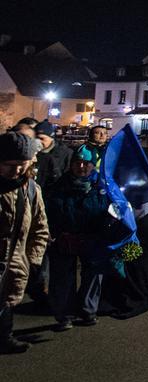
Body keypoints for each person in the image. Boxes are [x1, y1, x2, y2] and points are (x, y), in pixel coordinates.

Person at [46, 147, 117, 331]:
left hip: (94, 238)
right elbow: (49, 212)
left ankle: (88, 311)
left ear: (94, 165)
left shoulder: (105, 186)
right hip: (65, 237)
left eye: (86, 163)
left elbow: (115, 210)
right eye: (77, 162)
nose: (81, 166)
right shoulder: (58, 186)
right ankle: (64, 316)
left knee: (93, 276)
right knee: (62, 278)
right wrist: (56, 233)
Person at [0, 132, 49, 354]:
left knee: (7, 302)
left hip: (14, 261)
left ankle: (4, 337)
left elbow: (40, 228)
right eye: (10, 165)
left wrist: (32, 260)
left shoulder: (30, 189)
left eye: (22, 164)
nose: (17, 171)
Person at [25, 120, 74, 306]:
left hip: (56, 207)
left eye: (42, 138)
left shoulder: (65, 153)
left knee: (53, 251)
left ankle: (50, 291)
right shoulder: (33, 154)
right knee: (38, 249)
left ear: (51, 137)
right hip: (36, 205)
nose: (39, 141)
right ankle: (39, 288)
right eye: (37, 138)